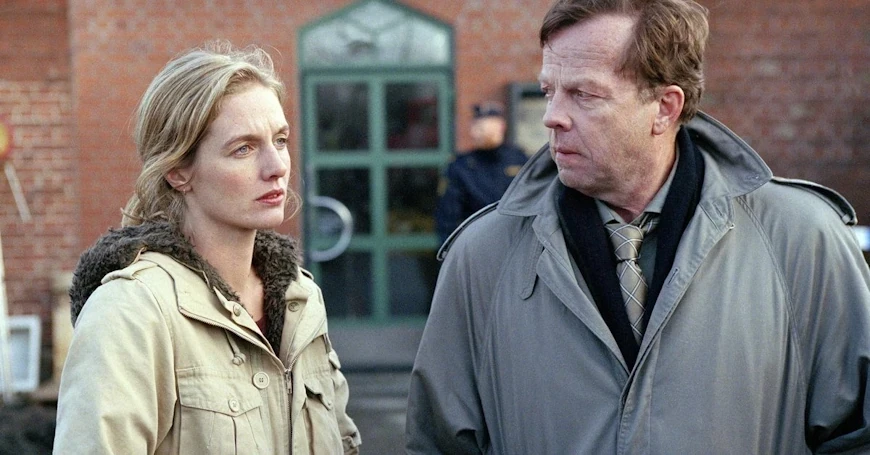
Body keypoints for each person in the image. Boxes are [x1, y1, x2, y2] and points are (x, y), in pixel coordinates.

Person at [406, 0, 870, 453]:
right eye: (549, 91)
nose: (552, 116)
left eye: (584, 94)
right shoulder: (482, 256)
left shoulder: (801, 240)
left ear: (665, 107)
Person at [53, 41, 361, 454]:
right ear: (178, 171)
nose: (277, 167)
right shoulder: (131, 312)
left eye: (280, 140)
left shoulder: (299, 299)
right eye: (243, 149)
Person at [434, 101, 528, 243]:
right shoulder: (461, 166)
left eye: (484, 128)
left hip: (516, 242)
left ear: (501, 127)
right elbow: (448, 217)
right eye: (477, 127)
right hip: (475, 243)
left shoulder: (520, 161)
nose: (477, 133)